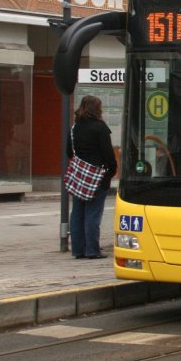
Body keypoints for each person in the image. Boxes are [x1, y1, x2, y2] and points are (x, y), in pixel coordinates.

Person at [66, 95, 117, 259]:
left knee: (77, 213)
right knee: (93, 214)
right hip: (97, 176)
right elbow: (108, 154)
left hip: (79, 175)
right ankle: (92, 250)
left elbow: (69, 151)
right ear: (97, 109)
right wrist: (111, 170)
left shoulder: (75, 128)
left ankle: (78, 250)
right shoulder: (100, 128)